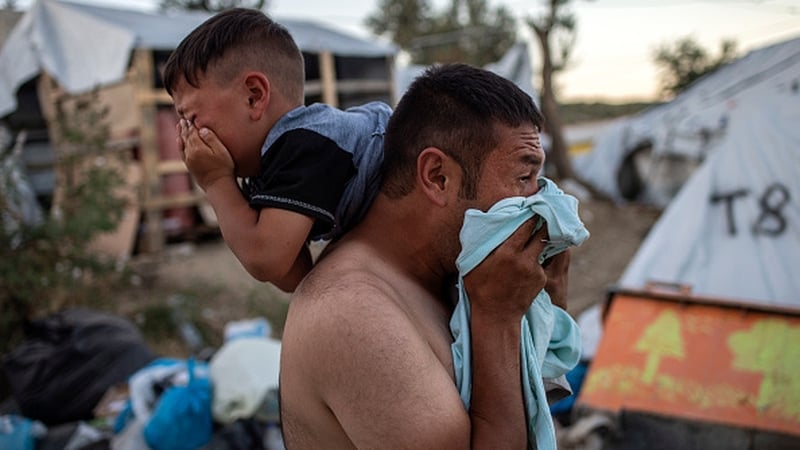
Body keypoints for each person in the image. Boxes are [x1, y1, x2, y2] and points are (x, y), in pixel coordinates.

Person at [280, 63, 581, 449]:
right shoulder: (352, 312)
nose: (538, 202)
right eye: (523, 179)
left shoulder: (449, 275)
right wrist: (497, 320)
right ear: (438, 176)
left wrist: (547, 303)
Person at [161, 8, 392, 292]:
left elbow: (266, 259)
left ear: (253, 97)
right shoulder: (270, 165)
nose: (186, 137)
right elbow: (294, 275)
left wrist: (215, 182)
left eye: (191, 119)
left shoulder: (305, 143)